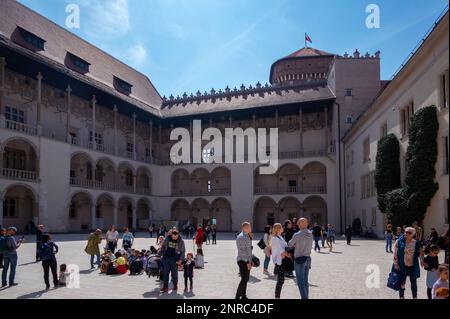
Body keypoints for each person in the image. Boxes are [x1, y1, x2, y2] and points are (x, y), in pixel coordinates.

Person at [393, 227, 424, 299]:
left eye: (409, 233)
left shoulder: (416, 243)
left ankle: (415, 297)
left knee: (413, 282)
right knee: (402, 282)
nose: (406, 233)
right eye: (406, 232)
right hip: (402, 265)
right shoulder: (399, 241)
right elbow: (395, 253)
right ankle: (401, 296)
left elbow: (421, 253)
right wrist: (396, 263)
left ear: (413, 234)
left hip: (412, 266)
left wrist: (422, 260)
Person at [288, 218, 313, 299]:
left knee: (300, 282)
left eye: (298, 223)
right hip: (308, 258)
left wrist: (296, 244)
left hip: (299, 259)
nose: (297, 224)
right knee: (305, 280)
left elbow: (290, 244)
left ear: (301, 224)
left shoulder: (297, 234)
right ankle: (306, 297)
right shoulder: (310, 233)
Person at [235, 222, 253, 300]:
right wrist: (247, 262)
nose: (250, 228)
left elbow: (248, 249)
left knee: (246, 279)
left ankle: (243, 296)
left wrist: (250, 260)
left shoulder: (247, 236)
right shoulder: (241, 237)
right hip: (242, 261)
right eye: (249, 227)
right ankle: (237, 297)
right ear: (244, 228)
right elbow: (242, 252)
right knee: (244, 279)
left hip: (247, 260)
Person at [271, 223, 288, 299]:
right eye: (281, 227)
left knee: (281, 280)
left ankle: (277, 296)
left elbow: (285, 246)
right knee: (280, 280)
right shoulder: (274, 238)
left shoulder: (280, 237)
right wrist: (286, 253)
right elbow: (280, 250)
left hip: (282, 260)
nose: (283, 228)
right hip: (279, 261)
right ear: (278, 229)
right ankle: (277, 296)